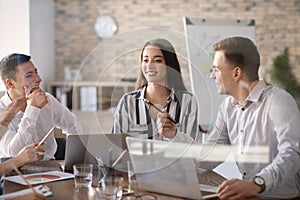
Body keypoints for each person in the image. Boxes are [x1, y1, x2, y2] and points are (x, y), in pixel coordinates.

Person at [205, 36, 300, 199]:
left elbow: (292, 152)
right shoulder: (228, 106)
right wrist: (174, 167)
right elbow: (212, 152)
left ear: (236, 73)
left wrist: (257, 183)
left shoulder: (277, 100)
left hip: (281, 196)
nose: (212, 76)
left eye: (216, 69)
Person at [113, 38, 198, 142]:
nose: (149, 65)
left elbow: (191, 150)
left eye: (157, 60)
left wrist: (175, 135)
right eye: (145, 60)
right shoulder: (127, 102)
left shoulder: (187, 101)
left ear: (169, 64)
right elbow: (116, 146)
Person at [0, 53, 82, 160]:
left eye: (36, 72)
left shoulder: (47, 100)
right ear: (10, 84)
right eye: (29, 75)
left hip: (50, 168)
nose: (38, 79)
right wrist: (33, 109)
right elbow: (12, 154)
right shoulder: (2, 111)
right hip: (14, 173)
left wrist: (74, 159)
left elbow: (73, 125)